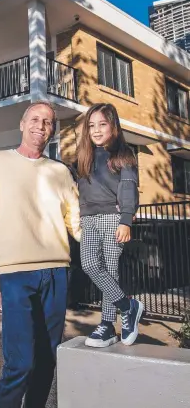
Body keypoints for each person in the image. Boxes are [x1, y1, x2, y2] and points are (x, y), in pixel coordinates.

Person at [0, 100, 81, 408]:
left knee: (47, 362)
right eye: (35, 119)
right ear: (22, 124)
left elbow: (76, 221)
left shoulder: (60, 171)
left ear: (52, 131)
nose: (40, 125)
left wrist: (108, 232)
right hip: (15, 276)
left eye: (47, 122)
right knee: (20, 363)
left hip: (57, 273)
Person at [75, 103, 143, 348]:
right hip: (89, 220)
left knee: (110, 270)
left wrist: (126, 219)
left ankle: (107, 324)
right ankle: (128, 306)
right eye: (91, 125)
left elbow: (128, 188)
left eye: (102, 124)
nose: (96, 130)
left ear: (113, 126)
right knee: (90, 264)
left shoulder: (123, 155)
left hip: (113, 219)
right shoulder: (85, 157)